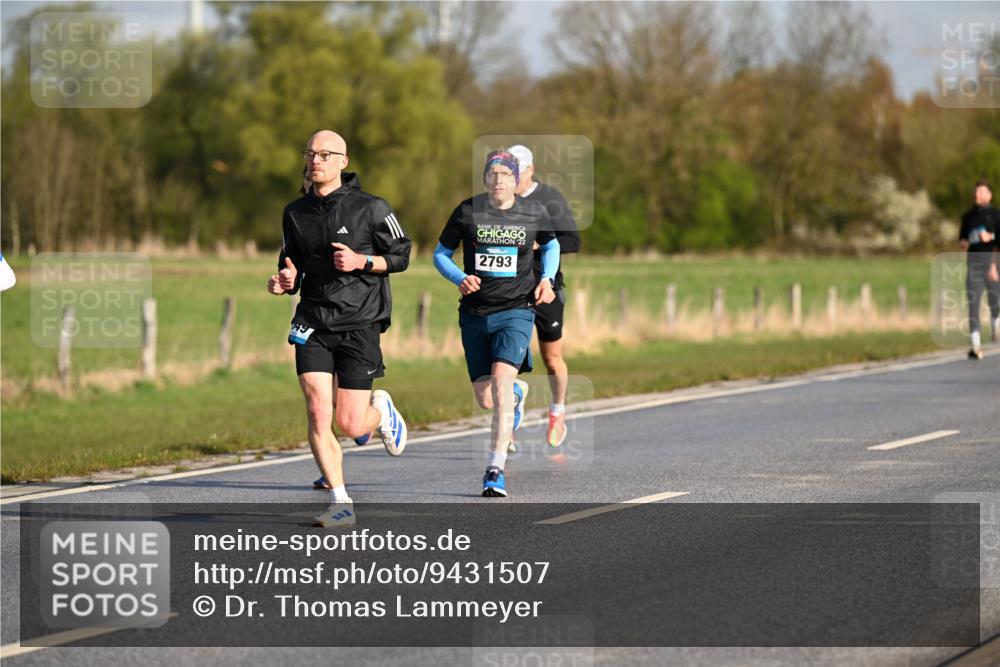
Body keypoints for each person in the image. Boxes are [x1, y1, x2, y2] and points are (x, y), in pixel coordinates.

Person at [269, 130, 411, 527]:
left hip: (359, 323)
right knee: (317, 410)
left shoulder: (373, 208)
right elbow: (291, 263)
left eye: (325, 154)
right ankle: (340, 500)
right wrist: (283, 280)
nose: (316, 160)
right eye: (311, 153)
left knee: (350, 424)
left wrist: (362, 262)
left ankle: (380, 412)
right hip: (312, 321)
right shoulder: (294, 212)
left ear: (343, 161)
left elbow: (402, 256)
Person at [433, 150, 560, 497]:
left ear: (516, 179)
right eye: (493, 173)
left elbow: (551, 245)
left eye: (506, 173)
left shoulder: (533, 212)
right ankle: (518, 394)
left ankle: (494, 469)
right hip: (475, 312)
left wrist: (546, 279)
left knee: (500, 386)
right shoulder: (467, 211)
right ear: (485, 177)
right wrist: (459, 277)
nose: (499, 179)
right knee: (487, 398)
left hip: (517, 310)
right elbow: (440, 254)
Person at [507, 145, 581, 448]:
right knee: (507, 362)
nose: (513, 177)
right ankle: (506, 428)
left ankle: (557, 410)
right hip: (510, 292)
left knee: (551, 359)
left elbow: (573, 240)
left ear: (531, 170)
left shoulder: (549, 199)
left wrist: (537, 243)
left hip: (547, 289)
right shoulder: (498, 202)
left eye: (519, 171)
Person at [959, 180, 999, 360]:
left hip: (993, 263)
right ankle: (975, 346)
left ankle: (995, 325)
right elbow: (962, 238)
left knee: (995, 301)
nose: (978, 195)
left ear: (989, 195)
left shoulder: (997, 215)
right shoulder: (967, 217)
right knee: (973, 303)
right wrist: (965, 242)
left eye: (981, 192)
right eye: (976, 192)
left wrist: (990, 236)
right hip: (974, 263)